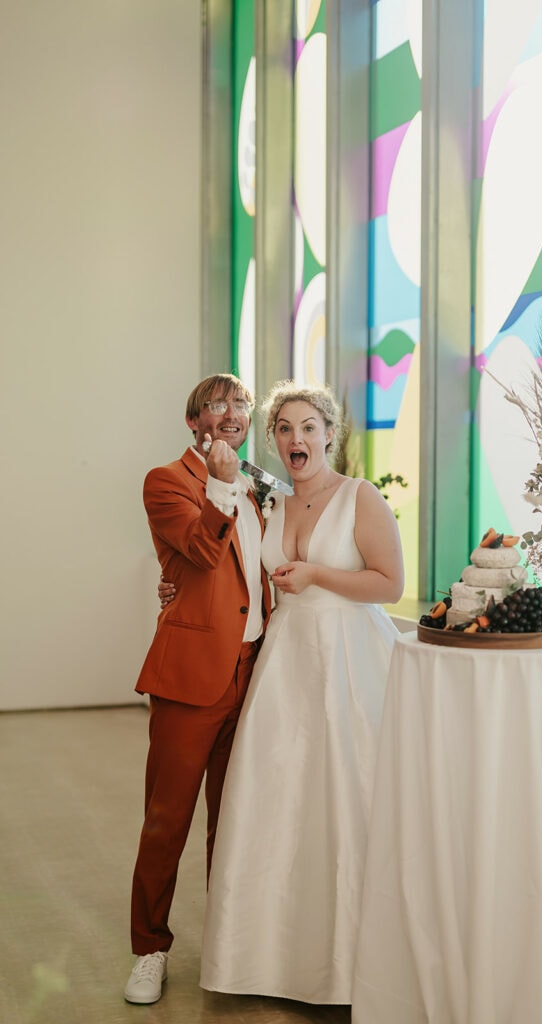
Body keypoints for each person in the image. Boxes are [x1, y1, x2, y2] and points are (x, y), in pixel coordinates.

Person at [198, 380, 404, 1004]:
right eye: (284, 428)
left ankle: (353, 964)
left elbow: (391, 585)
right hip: (286, 663)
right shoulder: (274, 505)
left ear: (329, 435)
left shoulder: (361, 498)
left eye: (309, 427)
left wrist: (317, 574)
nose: (297, 438)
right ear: (274, 441)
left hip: (350, 661)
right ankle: (273, 959)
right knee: (280, 798)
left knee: (350, 794)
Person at [123, 373, 272, 1005]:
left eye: (241, 402)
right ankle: (150, 948)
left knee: (233, 821)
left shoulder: (259, 486)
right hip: (191, 678)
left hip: (258, 671)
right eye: (218, 403)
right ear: (195, 421)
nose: (233, 411)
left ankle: (229, 943)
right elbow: (198, 551)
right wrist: (217, 481)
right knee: (167, 819)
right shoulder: (167, 481)